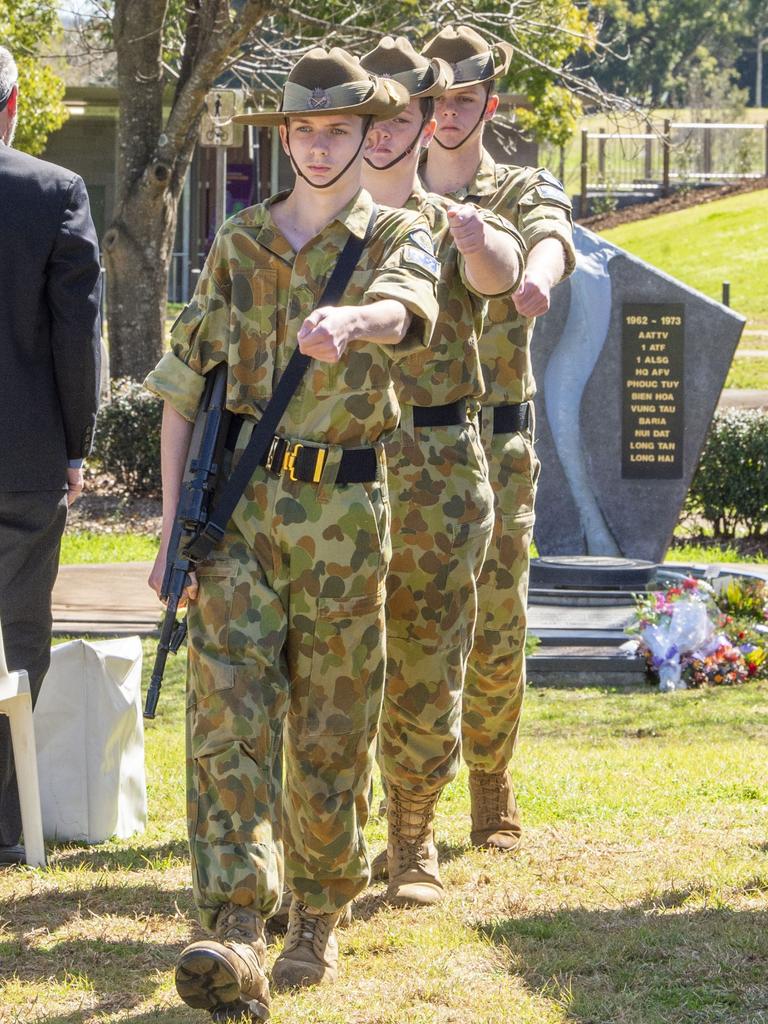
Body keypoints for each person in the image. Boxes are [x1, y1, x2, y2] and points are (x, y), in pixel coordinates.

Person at [145, 47, 439, 1019]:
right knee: (227, 723)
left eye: (338, 130)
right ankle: (234, 925)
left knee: (329, 732)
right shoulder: (238, 245)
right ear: (287, 138)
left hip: (348, 520)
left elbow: (412, 307)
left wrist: (355, 324)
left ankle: (318, 913)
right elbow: (183, 390)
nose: (318, 147)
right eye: (304, 131)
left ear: (368, 134)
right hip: (241, 518)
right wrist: (169, 527)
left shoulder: (397, 230)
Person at [358, 36, 526, 907]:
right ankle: (336, 838)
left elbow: (499, 272)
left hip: (436, 466)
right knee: (338, 660)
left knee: (430, 657)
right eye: (370, 118)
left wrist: (476, 241)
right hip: (340, 468)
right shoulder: (314, 227)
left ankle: (413, 837)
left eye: (401, 117)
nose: (383, 134)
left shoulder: (450, 217)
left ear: (427, 123)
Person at [420, 26, 576, 852]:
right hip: (408, 444)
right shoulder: (385, 188)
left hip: (498, 441)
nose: (447, 114)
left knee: (497, 618)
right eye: (435, 98)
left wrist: (537, 283)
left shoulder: (518, 186)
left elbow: (550, 239)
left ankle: (490, 779)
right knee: (405, 623)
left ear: (489, 101)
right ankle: (405, 799)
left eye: (464, 99)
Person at [0, 46, 101, 866]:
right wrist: (78, 444)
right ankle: (5, 825)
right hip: (23, 458)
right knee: (16, 640)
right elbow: (78, 332)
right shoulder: (52, 191)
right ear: (14, 103)